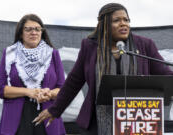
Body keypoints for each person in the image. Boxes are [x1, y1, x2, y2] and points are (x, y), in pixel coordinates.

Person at [33, 3, 173, 135]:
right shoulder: (90, 46)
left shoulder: (144, 45)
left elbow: (165, 74)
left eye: (126, 19)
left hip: (137, 118)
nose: (123, 23)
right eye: (117, 20)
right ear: (104, 24)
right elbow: (73, 82)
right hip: (97, 123)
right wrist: (55, 110)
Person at [0, 14, 66, 135]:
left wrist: (48, 93)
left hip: (48, 116)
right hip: (16, 119)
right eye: (28, 29)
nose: (33, 32)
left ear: (42, 32)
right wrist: (28, 92)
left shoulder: (53, 54)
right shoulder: (9, 53)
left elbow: (63, 89)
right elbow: (0, 89)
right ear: (20, 33)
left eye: (37, 29)